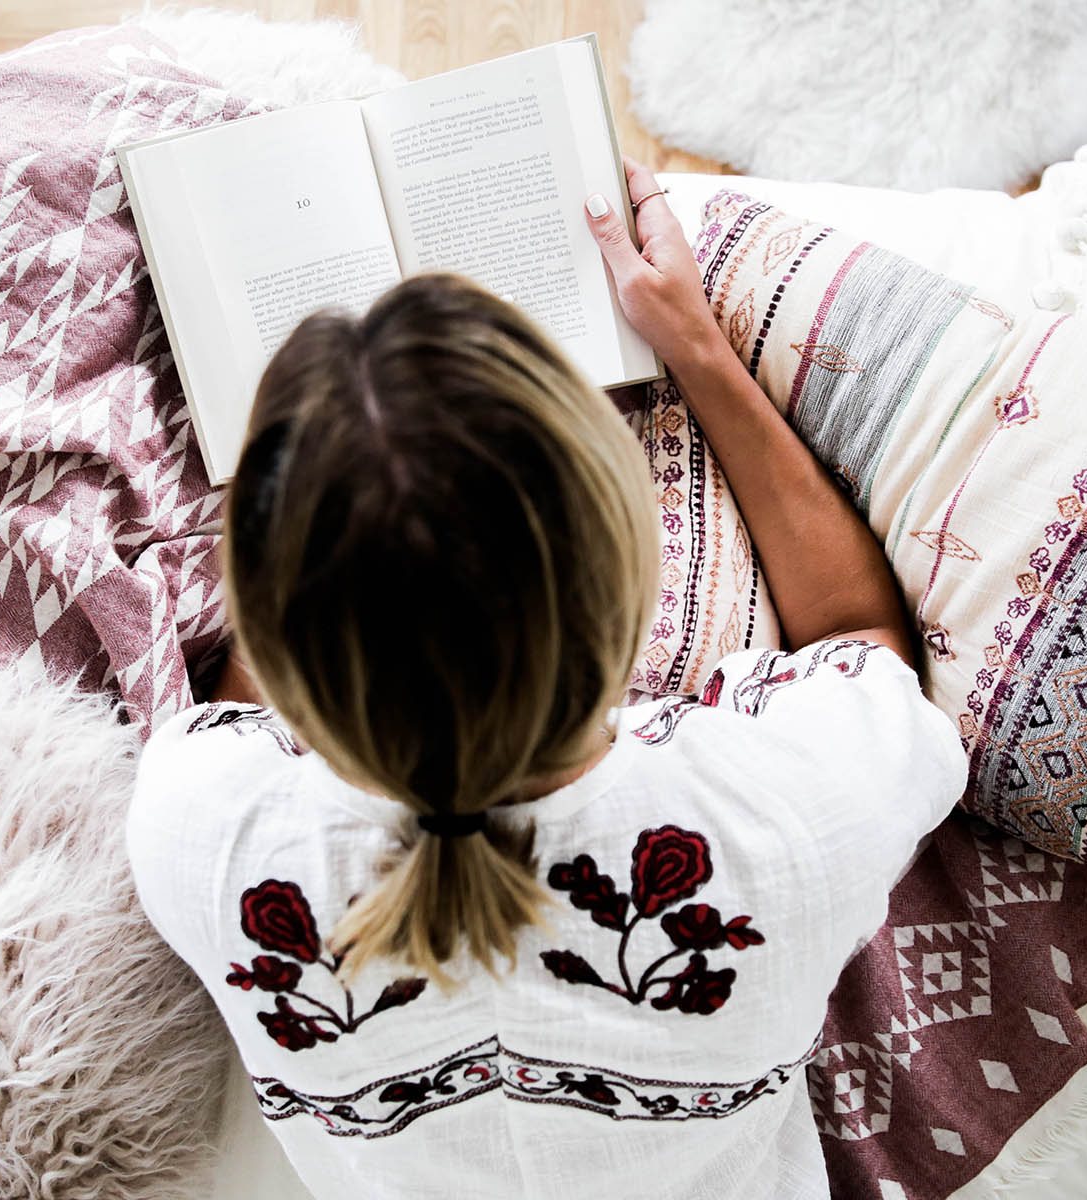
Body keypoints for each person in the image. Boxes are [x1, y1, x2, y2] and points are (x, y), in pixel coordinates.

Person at [125, 156, 967, 1199]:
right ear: (631, 586)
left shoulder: (197, 836)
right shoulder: (791, 813)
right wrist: (699, 350)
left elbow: (255, 700)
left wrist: (320, 510)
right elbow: (858, 636)